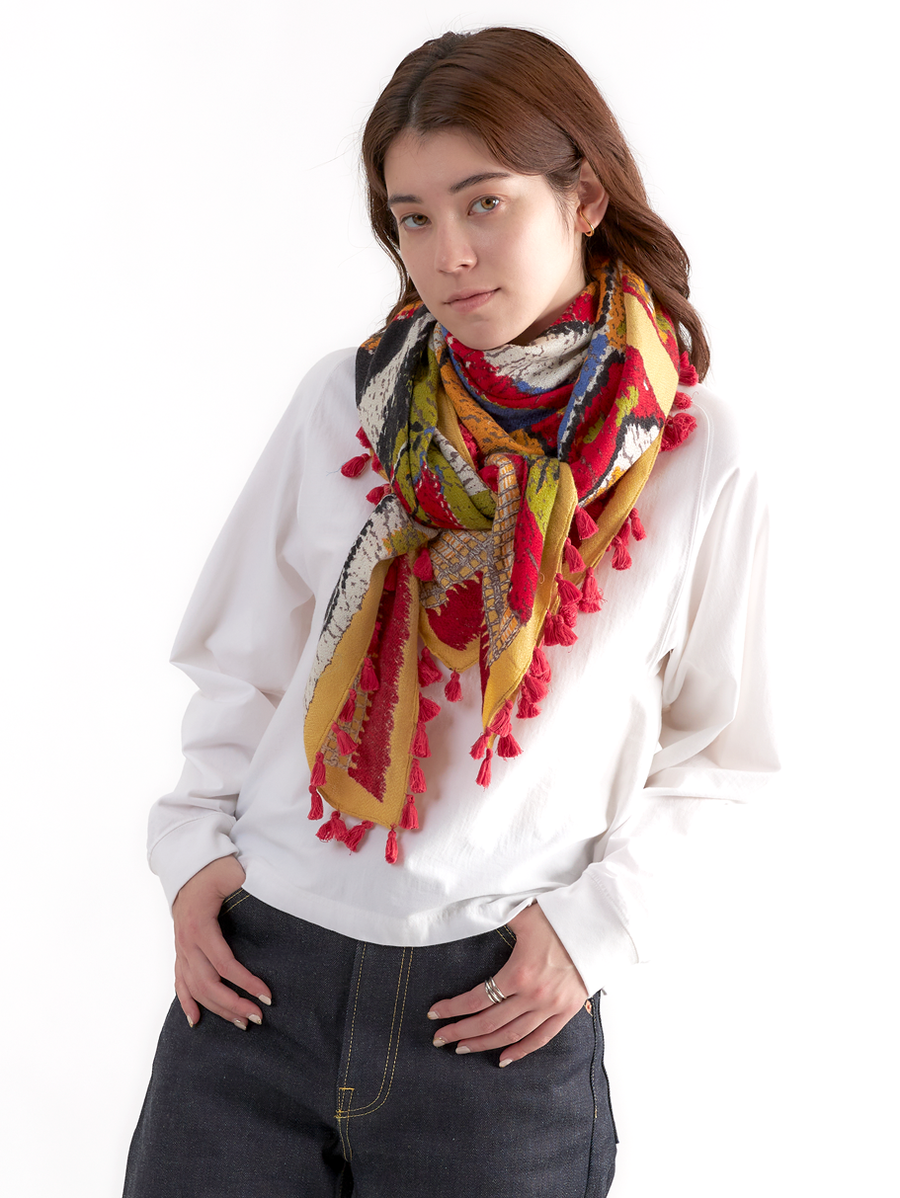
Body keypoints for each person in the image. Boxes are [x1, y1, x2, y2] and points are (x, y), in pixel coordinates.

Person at [123, 26, 776, 1198]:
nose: (450, 254)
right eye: (412, 218)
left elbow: (726, 750)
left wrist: (594, 930)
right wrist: (190, 856)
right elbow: (239, 662)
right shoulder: (347, 403)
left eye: (485, 203)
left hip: (494, 1020)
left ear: (584, 197)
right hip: (257, 984)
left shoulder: (694, 451)